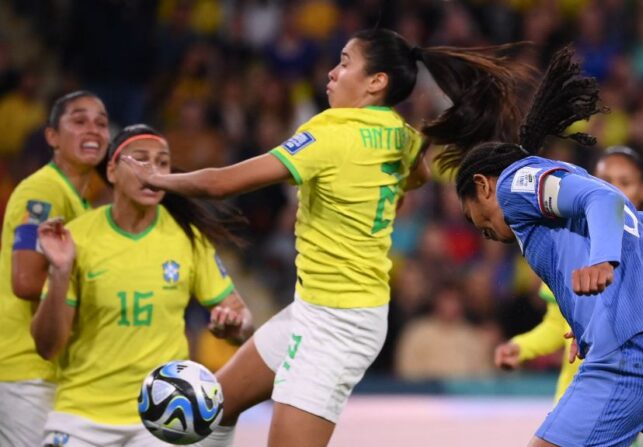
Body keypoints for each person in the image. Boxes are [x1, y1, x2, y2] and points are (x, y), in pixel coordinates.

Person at [125, 28, 539, 447]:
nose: (331, 72)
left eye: (344, 62)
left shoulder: (331, 131)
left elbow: (221, 183)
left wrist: (155, 178)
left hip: (336, 325)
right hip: (324, 311)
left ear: (377, 82)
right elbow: (418, 174)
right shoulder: (401, 134)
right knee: (213, 412)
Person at [455, 46, 643, 446]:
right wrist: (629, 306)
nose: (488, 232)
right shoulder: (631, 220)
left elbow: (605, 199)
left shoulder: (514, 182)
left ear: (482, 185)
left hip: (632, 353)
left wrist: (605, 264)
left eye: (481, 221)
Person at [31, 124, 254, 447]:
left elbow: (244, 321)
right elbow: (47, 347)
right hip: (81, 416)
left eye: (162, 163)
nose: (154, 171)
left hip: (161, 417)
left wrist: (233, 323)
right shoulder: (77, 238)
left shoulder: (187, 239)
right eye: (140, 160)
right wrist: (60, 271)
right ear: (111, 170)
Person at [0, 91, 110, 446]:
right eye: (79, 121)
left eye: (101, 123)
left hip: (47, 371)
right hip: (26, 369)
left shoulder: (78, 201)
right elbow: (26, 280)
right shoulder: (44, 192)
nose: (92, 130)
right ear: (52, 137)